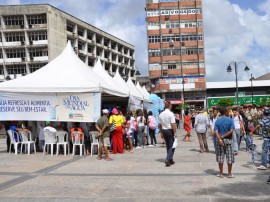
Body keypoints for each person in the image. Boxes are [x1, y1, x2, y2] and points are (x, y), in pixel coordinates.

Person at [214, 107, 235, 178]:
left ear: (220, 112)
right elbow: (231, 130)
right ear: (225, 112)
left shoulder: (217, 121)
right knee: (229, 158)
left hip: (220, 141)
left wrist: (220, 139)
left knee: (220, 157)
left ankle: (221, 173)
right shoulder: (230, 120)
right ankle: (229, 174)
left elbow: (215, 131)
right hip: (229, 140)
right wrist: (223, 136)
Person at [158, 101, 177, 167]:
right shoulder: (171, 114)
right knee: (172, 145)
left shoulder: (161, 114)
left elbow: (160, 125)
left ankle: (170, 159)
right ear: (170, 106)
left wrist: (161, 132)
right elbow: (173, 124)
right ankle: (168, 159)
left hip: (164, 130)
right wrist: (175, 132)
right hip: (169, 130)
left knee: (168, 145)